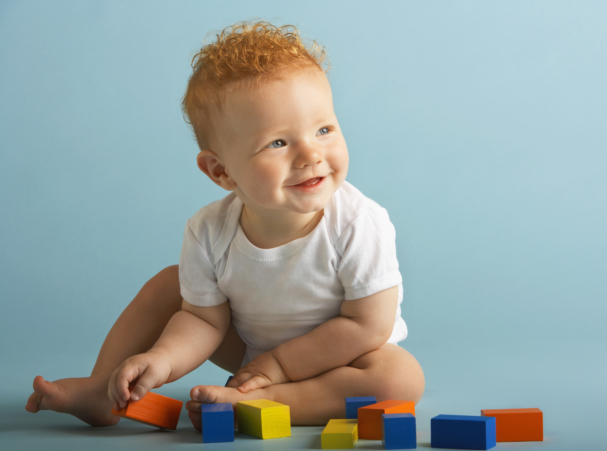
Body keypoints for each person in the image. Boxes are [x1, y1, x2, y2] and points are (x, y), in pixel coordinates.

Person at [26, 21, 424, 429]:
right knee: (169, 284)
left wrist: (277, 369)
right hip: (251, 352)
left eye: (324, 129)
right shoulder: (209, 231)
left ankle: (263, 402)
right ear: (221, 172)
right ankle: (106, 388)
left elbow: (366, 325)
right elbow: (203, 322)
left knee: (399, 378)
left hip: (343, 357)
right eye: (278, 143)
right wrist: (160, 361)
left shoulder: (359, 222)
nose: (311, 154)